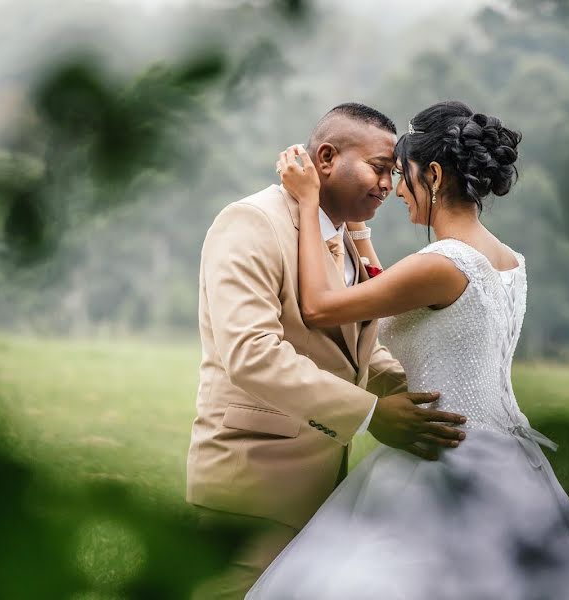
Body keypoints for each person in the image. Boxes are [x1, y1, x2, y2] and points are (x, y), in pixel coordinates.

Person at [246, 101, 569, 599]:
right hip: (508, 455)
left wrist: (305, 200)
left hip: (444, 453)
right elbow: (400, 297)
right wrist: (360, 237)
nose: (394, 190)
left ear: (432, 173)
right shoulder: (506, 259)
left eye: (400, 174)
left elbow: (320, 307)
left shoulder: (441, 262)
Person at [186, 103, 469, 599]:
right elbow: (252, 351)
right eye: (379, 169)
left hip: (325, 493)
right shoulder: (250, 223)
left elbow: (359, 351)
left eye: (394, 173)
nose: (388, 184)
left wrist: (423, 389)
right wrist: (370, 415)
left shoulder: (345, 236)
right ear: (325, 158)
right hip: (252, 486)